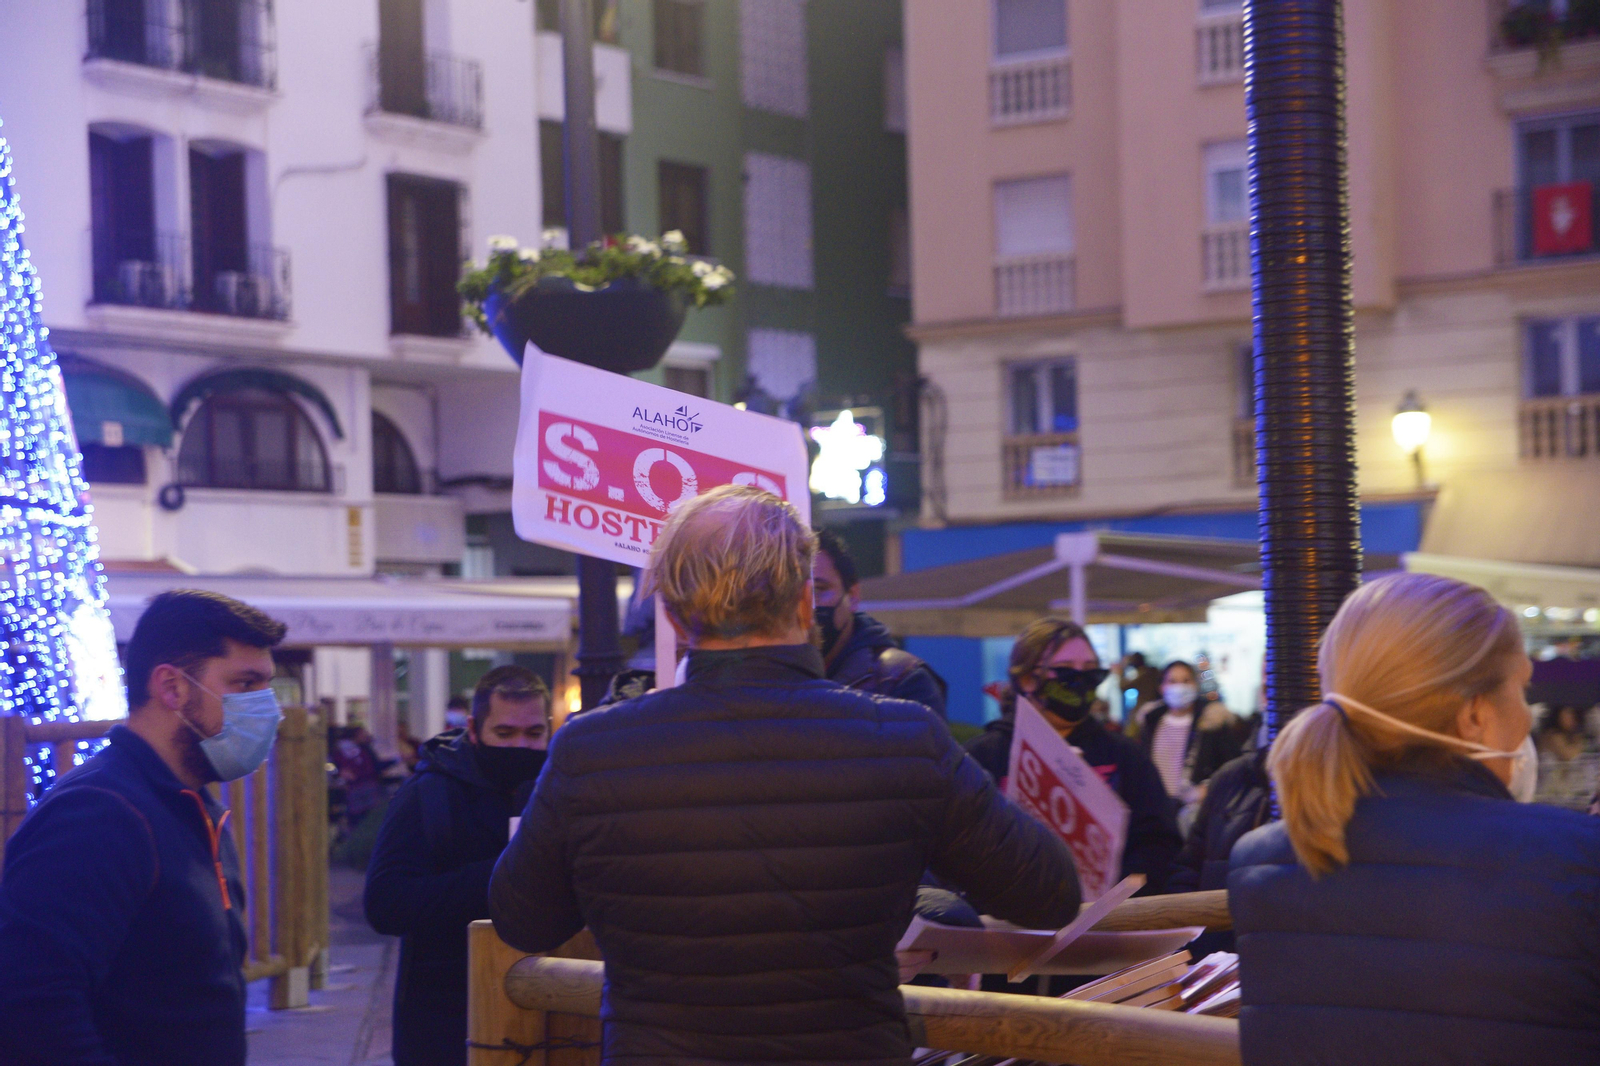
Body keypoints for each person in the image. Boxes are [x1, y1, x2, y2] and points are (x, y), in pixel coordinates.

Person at [488, 485, 1080, 1064]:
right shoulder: (905, 739)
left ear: (671, 614)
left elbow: (521, 918)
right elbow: (1050, 894)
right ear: (804, 602)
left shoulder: (590, 751)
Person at [1230, 572, 1600, 1065]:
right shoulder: (1572, 858)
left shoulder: (1261, 863)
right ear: (1474, 715)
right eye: (1521, 690)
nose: (1527, 715)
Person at [0, 590, 287, 1066]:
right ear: (172, 688)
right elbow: (32, 1002)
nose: (268, 710)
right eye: (245, 684)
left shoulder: (191, 806)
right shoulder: (99, 814)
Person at [365, 665, 552, 1066]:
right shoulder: (430, 794)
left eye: (534, 734)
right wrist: (501, 875)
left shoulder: (558, 789)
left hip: (546, 1016)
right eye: (505, 734)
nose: (520, 746)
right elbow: (386, 903)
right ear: (473, 730)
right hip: (445, 1021)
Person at [965, 617, 1183, 894]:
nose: (1081, 682)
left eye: (1091, 671)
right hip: (1008, 925)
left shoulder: (1125, 755)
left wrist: (1118, 892)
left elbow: (1160, 842)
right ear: (1027, 679)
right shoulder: (983, 758)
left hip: (1109, 924)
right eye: (1066, 671)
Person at [813, 527, 948, 717]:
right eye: (792, 591)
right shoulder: (770, 674)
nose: (805, 605)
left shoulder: (901, 681)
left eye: (818, 589)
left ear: (852, 595)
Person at [1135, 660, 1243, 822]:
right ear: (1161, 687)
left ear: (1195, 685)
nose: (1179, 687)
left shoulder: (1212, 722)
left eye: (1186, 681)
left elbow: (1232, 768)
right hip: (1156, 811)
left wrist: (1208, 789)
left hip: (1195, 814)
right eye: (1172, 681)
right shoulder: (1151, 722)